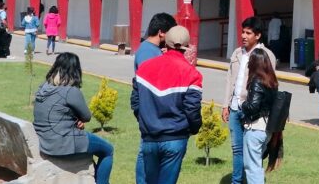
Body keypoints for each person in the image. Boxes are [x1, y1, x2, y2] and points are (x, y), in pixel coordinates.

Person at [132, 25, 202, 184]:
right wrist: (194, 128)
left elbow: (135, 101)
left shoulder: (144, 68)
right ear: (186, 46)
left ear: (166, 43)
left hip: (149, 137)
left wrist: (144, 120)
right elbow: (192, 109)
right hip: (175, 138)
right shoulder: (192, 74)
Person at [33, 53, 114, 184]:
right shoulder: (70, 91)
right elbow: (86, 116)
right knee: (108, 150)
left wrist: (73, 119)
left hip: (44, 140)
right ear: (75, 70)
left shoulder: (43, 88)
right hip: (63, 142)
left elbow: (55, 112)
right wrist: (78, 119)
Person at [223, 18, 277, 184]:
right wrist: (226, 105)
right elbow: (230, 80)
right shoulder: (237, 53)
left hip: (254, 113)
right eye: (243, 32)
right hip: (235, 108)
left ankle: (252, 179)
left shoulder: (266, 55)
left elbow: (270, 85)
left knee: (253, 151)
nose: (243, 36)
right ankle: (237, 181)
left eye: (248, 33)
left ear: (258, 35)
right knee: (237, 149)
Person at [133, 12, 176, 184]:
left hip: (152, 111)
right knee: (145, 152)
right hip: (151, 111)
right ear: (161, 33)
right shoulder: (148, 53)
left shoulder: (151, 50)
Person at [240, 48, 278, 184]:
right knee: (256, 165)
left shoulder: (257, 80)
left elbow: (252, 107)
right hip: (267, 128)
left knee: (252, 167)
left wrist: (242, 103)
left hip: (255, 128)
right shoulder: (272, 81)